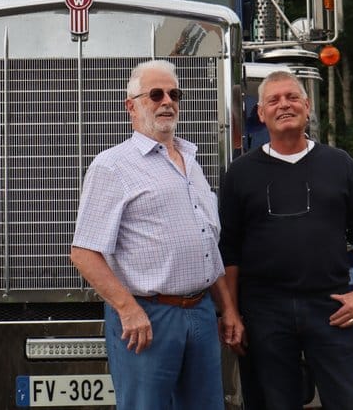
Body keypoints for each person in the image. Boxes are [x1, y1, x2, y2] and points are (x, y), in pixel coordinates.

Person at [70, 59, 243, 409]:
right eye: (156, 94)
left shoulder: (192, 162)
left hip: (201, 313)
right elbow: (84, 251)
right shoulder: (112, 165)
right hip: (148, 316)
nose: (167, 101)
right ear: (131, 106)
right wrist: (127, 309)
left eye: (174, 94)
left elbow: (208, 245)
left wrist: (227, 309)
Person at [219, 70, 353, 409]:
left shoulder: (339, 164)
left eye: (292, 97)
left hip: (332, 306)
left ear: (307, 107)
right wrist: (230, 311)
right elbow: (228, 249)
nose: (284, 105)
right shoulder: (240, 173)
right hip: (263, 313)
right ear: (260, 114)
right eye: (273, 100)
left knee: (349, 402)